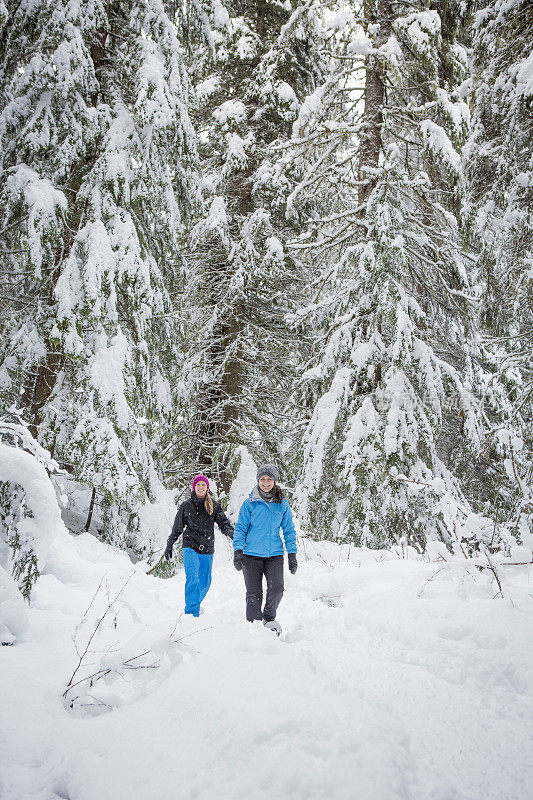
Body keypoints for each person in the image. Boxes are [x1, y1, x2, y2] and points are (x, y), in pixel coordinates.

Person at [233, 463, 297, 634]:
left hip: (274, 555)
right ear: (258, 480)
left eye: (269, 479)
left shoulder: (282, 503)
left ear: (275, 481)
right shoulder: (250, 504)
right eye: (263, 479)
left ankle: (269, 619)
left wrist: (292, 554)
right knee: (254, 594)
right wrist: (238, 551)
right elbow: (240, 528)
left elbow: (289, 529)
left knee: (277, 590)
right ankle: (253, 626)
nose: (266, 483)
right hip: (251, 555)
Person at [165, 475, 234, 617]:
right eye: (198, 485)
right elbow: (178, 527)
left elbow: (223, 523)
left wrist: (233, 534)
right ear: (194, 487)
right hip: (190, 545)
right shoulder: (186, 505)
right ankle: (191, 613)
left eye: (203, 485)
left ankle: (193, 604)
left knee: (205, 582)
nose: (201, 487)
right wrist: (170, 543)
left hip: (207, 548)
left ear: (207, 488)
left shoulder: (214, 505)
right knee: (192, 577)